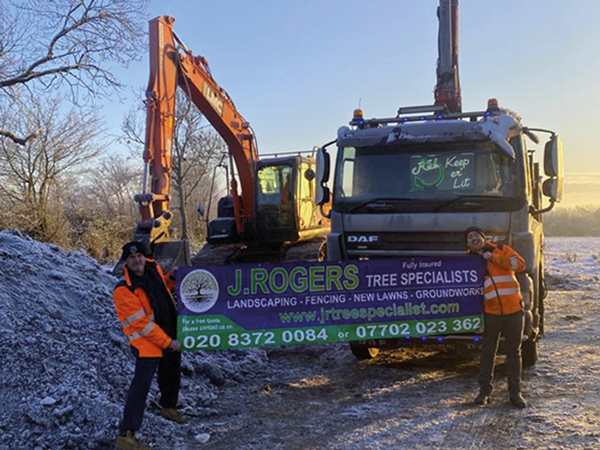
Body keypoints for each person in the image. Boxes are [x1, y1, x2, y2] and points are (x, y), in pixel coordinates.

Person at [113, 241, 187, 450]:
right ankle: (126, 435)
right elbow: (142, 325)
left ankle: (168, 407)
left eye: (139, 257)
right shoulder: (124, 290)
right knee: (141, 385)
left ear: (144, 258)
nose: (137, 261)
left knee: (171, 371)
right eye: (131, 258)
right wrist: (167, 342)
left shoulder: (152, 271)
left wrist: (171, 279)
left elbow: (160, 291)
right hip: (147, 342)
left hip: (169, 330)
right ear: (126, 262)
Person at [465, 227, 528, 409]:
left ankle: (515, 393)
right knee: (487, 352)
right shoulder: (468, 261)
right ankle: (484, 392)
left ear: (484, 238)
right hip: (490, 314)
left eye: (476, 235)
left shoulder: (501, 249)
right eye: (470, 237)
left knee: (514, 353)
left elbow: (520, 265)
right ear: (468, 244)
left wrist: (493, 258)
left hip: (514, 311)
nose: (474, 238)